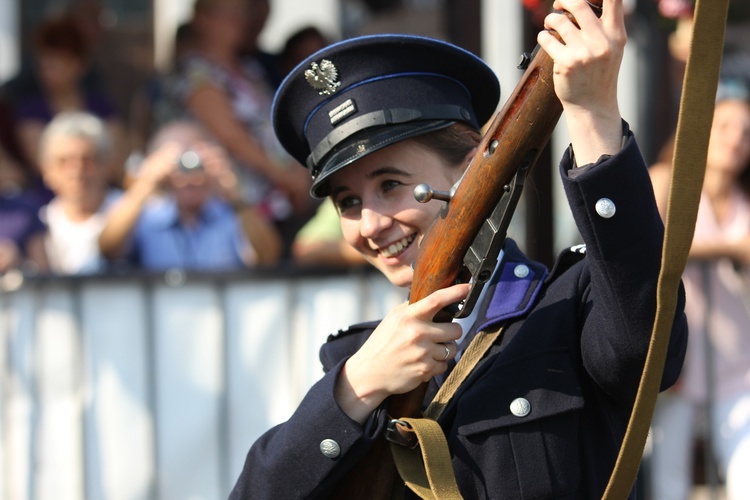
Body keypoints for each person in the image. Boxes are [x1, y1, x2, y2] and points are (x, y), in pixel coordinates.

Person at [229, 0, 688, 498]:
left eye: (391, 184)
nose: (372, 224)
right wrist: (357, 387)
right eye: (348, 201)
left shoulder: (569, 306)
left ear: (472, 173)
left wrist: (594, 115)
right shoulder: (357, 363)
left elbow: (647, 355)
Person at [648, 85, 750, 500]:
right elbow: (647, 249)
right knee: (668, 481)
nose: (737, 139)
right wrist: (728, 248)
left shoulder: (744, 200)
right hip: (677, 358)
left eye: (746, 132)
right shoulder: (665, 182)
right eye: (726, 126)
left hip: (737, 359)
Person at [173, 0, 314, 257]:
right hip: (244, 206)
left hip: (281, 199)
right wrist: (283, 175)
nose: (238, 20)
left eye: (241, 12)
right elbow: (231, 136)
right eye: (228, 13)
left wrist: (296, 171)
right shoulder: (197, 72)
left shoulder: (250, 68)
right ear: (203, 19)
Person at [98, 120, 283, 271]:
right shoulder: (146, 218)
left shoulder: (232, 215)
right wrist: (144, 185)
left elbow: (268, 256)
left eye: (197, 162)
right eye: (177, 164)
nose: (189, 175)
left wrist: (235, 194)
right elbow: (107, 248)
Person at [14, 16, 127, 186]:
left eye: (56, 64)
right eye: (43, 64)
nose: (47, 73)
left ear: (79, 65)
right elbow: (41, 163)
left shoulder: (102, 107)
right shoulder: (31, 110)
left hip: (100, 196)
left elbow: (117, 162)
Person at [38, 111, 122, 275]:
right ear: (46, 170)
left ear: (107, 165)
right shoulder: (40, 223)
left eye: (87, 160)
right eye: (64, 162)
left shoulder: (135, 213)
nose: (76, 171)